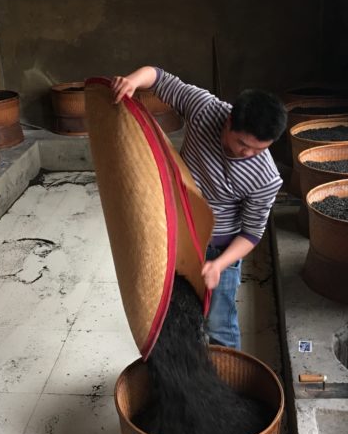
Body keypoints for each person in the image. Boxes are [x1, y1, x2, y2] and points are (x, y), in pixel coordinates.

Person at [111, 67, 287, 350]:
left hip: (219, 248)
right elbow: (159, 77)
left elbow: (252, 234)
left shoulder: (265, 177)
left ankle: (227, 379)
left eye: (259, 149)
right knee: (169, 313)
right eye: (243, 143)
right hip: (176, 233)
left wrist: (219, 264)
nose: (247, 154)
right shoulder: (206, 110)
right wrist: (132, 82)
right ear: (229, 121)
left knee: (220, 324)